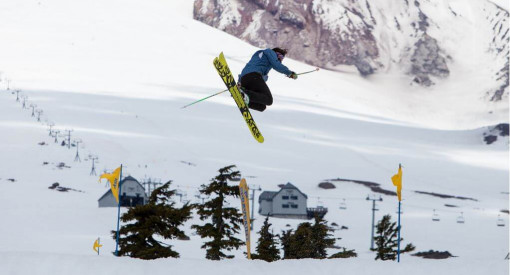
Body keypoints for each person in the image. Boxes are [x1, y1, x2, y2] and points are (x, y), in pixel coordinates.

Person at [238, 48, 298, 112]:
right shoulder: (270, 52)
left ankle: (243, 98)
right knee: (268, 99)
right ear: (276, 53)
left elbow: (248, 69)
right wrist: (290, 73)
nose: (280, 59)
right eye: (280, 56)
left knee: (262, 107)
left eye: (282, 58)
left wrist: (239, 83)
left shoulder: (261, 59)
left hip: (246, 80)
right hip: (253, 76)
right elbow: (277, 65)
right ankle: (244, 94)